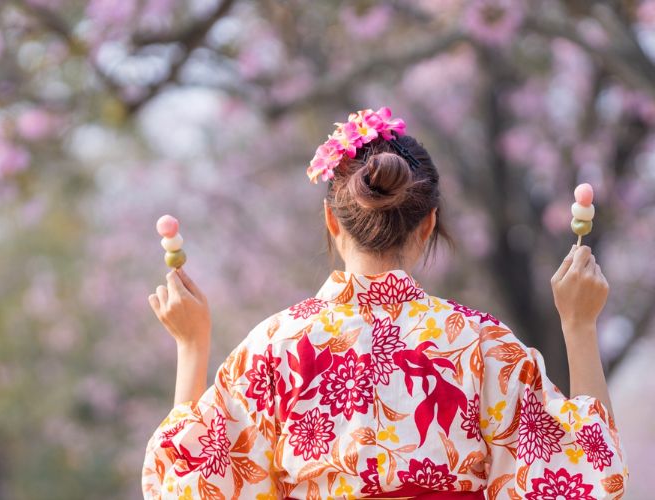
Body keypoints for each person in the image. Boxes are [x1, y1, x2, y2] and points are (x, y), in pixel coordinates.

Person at [142, 108, 628, 499]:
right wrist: (580, 325)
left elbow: (188, 482)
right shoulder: (480, 346)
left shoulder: (274, 349)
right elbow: (589, 478)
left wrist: (192, 345)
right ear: (428, 225)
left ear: (332, 222)